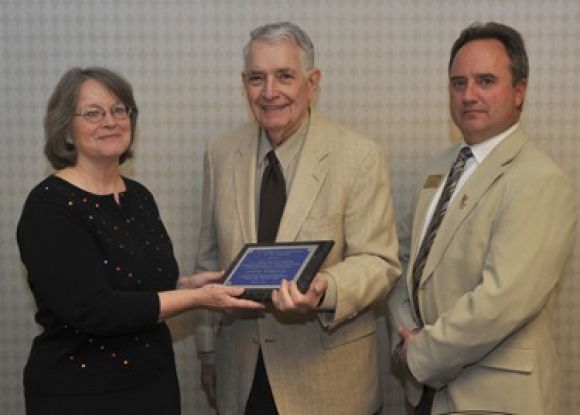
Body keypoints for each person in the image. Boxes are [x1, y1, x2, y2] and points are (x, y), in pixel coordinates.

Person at [16, 67, 264, 415]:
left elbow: (138, 283)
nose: (110, 121)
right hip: (82, 396)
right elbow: (96, 309)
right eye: (93, 113)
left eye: (120, 110)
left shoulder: (138, 197)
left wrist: (189, 283)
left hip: (153, 386)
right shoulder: (50, 207)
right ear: (66, 129)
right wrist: (196, 299)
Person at [194, 21, 401, 415]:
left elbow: (380, 261)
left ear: (313, 81)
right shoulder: (220, 153)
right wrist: (207, 354)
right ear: (244, 83)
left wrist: (327, 288)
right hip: (242, 375)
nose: (270, 92)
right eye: (257, 78)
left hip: (329, 384)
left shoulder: (359, 155)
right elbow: (208, 259)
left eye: (284, 76)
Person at [387, 21, 578, 415]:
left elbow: (502, 301)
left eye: (486, 81)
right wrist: (406, 337)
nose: (469, 95)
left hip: (493, 397)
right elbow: (403, 262)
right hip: (423, 391)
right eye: (458, 83)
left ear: (519, 91)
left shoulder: (541, 180)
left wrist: (422, 353)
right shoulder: (437, 168)